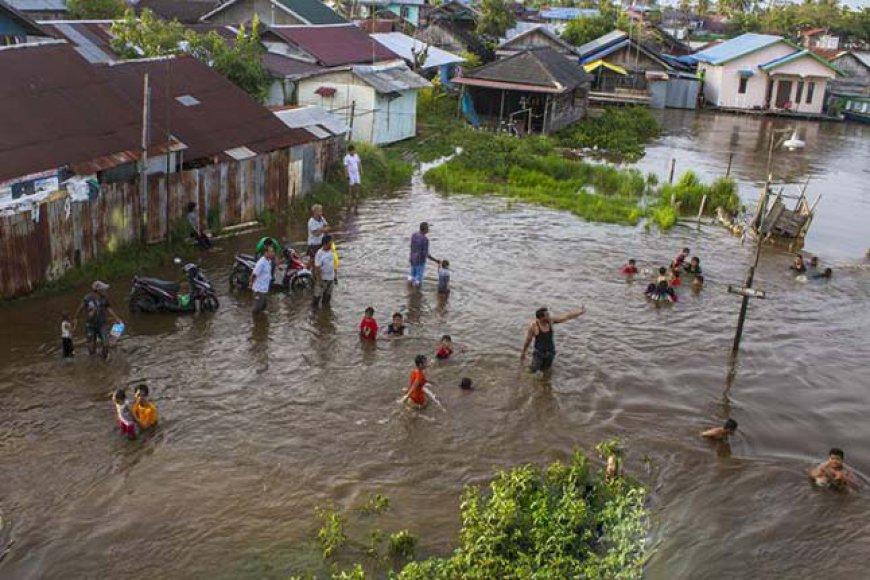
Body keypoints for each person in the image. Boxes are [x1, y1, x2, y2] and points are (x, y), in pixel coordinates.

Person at [520, 306, 586, 373]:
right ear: (541, 318)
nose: (549, 316)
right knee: (532, 370)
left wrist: (580, 312)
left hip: (550, 353)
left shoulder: (551, 321)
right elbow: (528, 340)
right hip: (538, 353)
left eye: (548, 314)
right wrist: (523, 353)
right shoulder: (534, 326)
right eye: (547, 315)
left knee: (546, 371)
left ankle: (543, 382)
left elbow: (566, 317)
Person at [74, 281, 123, 359]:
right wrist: (75, 318)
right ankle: (93, 363)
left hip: (102, 324)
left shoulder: (104, 298)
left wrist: (117, 318)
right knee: (91, 347)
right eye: (103, 289)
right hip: (90, 325)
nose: (105, 291)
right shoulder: (87, 298)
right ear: (98, 290)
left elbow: (109, 309)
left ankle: (103, 360)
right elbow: (80, 307)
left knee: (106, 344)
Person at [408, 222, 440, 288]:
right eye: (428, 228)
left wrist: (410, 256)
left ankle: (409, 288)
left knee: (412, 275)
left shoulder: (414, 235)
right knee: (418, 279)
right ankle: (417, 293)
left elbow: (411, 246)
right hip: (420, 261)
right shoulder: (425, 240)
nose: (429, 229)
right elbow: (425, 254)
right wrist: (435, 260)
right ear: (425, 229)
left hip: (413, 258)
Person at [250, 243, 274, 315]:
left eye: (273, 251)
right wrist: (251, 284)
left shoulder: (268, 261)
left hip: (264, 289)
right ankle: (255, 323)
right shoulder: (261, 263)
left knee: (263, 306)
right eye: (271, 252)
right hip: (259, 290)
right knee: (257, 308)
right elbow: (254, 274)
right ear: (266, 253)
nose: (273, 253)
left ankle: (262, 323)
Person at [313, 235, 337, 307]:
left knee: (327, 298)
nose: (332, 244)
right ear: (325, 244)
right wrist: (319, 281)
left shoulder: (333, 251)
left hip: (331, 278)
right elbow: (317, 268)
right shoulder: (319, 253)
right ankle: (315, 315)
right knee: (316, 299)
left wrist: (335, 276)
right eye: (330, 243)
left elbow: (334, 263)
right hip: (322, 279)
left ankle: (325, 314)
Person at [344, 145, 362, 212]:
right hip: (351, 174)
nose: (353, 152)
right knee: (351, 187)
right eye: (352, 151)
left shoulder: (356, 156)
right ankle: (349, 201)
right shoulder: (346, 158)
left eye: (354, 150)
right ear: (349, 151)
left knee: (357, 185)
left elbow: (359, 163)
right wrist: (347, 175)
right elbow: (345, 167)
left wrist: (361, 171)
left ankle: (356, 201)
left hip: (356, 174)